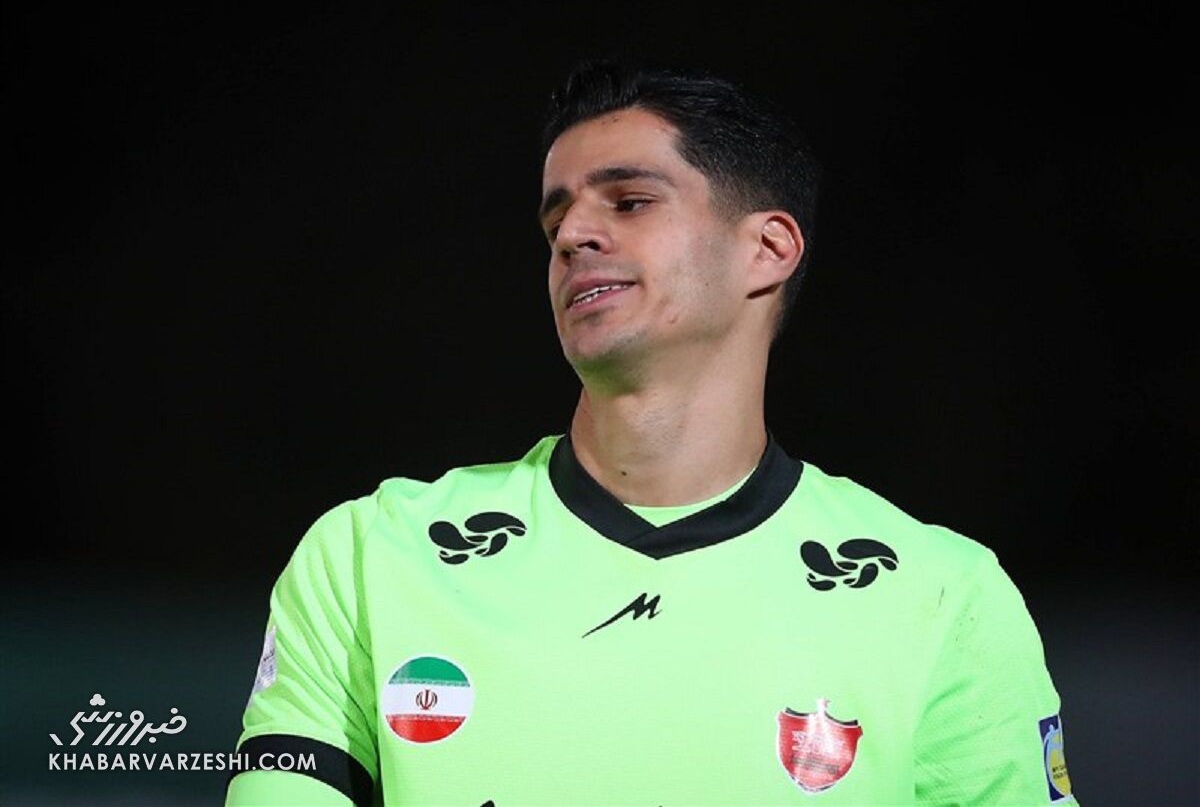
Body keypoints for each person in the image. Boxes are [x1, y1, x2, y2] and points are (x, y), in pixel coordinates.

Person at [225, 59, 1077, 806]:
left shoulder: (943, 597)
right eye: (555, 221)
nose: (573, 236)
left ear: (768, 249)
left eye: (629, 201)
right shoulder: (371, 556)